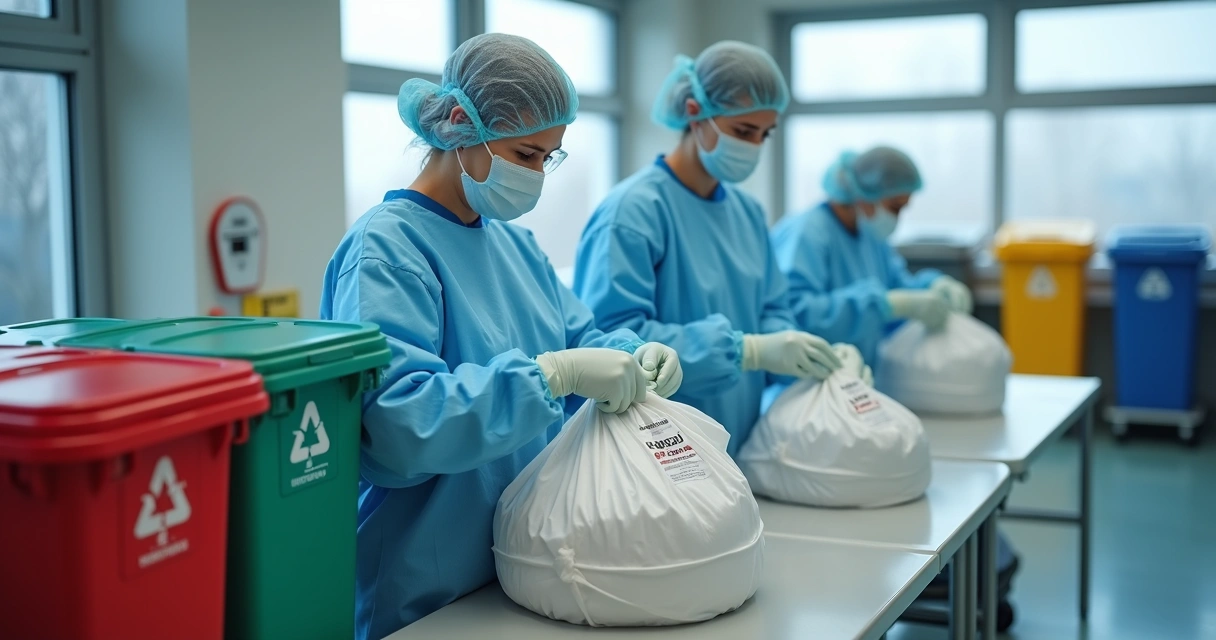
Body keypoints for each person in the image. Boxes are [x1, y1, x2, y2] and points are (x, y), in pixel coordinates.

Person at [320, 33, 684, 640]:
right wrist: (552, 377)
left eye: (549, 157)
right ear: (460, 124)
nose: (538, 173)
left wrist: (631, 356)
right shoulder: (387, 250)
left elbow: (581, 336)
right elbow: (398, 425)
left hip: (526, 569)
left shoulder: (515, 245)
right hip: (427, 588)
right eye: (526, 153)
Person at [574, 41, 843, 456]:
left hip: (741, 443)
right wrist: (745, 350)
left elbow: (772, 310)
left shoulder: (747, 212)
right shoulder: (633, 212)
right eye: (743, 131)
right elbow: (614, 341)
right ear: (695, 114)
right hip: (659, 451)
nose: (755, 146)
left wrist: (801, 351)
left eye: (764, 134)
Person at [769, 146, 973, 368]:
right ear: (863, 196)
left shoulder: (870, 236)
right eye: (894, 207)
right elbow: (796, 312)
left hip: (857, 381)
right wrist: (883, 306)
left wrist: (932, 286)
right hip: (807, 382)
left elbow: (897, 286)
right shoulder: (807, 234)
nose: (897, 218)